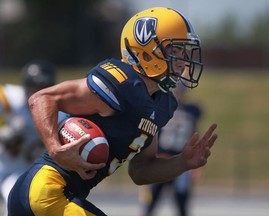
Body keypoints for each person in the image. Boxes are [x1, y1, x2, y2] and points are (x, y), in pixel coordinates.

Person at [8, 7, 218, 216]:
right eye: (174, 51)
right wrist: (55, 148)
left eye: (183, 52)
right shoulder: (120, 84)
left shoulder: (163, 104)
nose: (182, 62)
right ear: (145, 51)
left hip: (61, 196)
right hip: (44, 190)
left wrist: (181, 162)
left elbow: (141, 170)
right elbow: (42, 98)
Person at [0, 60, 56, 214]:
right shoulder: (11, 99)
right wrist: (3, 130)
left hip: (19, 170)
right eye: (35, 87)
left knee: (16, 204)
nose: (38, 92)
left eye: (43, 88)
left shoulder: (57, 113)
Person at [140, 84, 202, 216]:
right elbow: (152, 132)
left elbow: (195, 134)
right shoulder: (163, 107)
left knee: (182, 202)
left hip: (181, 160)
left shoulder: (192, 110)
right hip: (161, 157)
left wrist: (196, 167)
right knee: (151, 200)